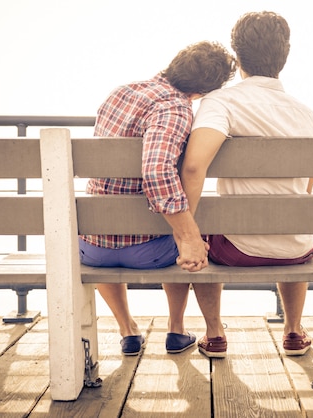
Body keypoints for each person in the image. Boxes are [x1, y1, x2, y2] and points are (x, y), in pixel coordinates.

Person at [181, 11, 313, 358]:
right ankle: (292, 330)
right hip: (295, 249)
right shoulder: (306, 114)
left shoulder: (222, 102)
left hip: (235, 249)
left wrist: (187, 233)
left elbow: (194, 166)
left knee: (202, 229)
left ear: (238, 56)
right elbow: (306, 188)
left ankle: (214, 334)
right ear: (284, 57)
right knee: (298, 219)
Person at [79, 41, 236, 355]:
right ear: (205, 91)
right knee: (190, 226)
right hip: (146, 250)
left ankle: (128, 331)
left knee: (113, 210)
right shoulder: (175, 108)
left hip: (92, 247)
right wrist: (188, 235)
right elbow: (156, 172)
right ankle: (176, 329)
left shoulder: (119, 92)